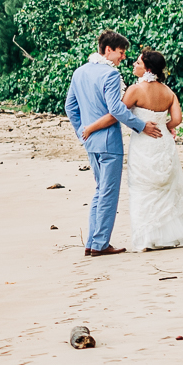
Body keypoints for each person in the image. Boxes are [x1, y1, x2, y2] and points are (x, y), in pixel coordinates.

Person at [64, 31, 161, 257]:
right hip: (109, 142)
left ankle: (92, 242)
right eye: (121, 52)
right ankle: (99, 244)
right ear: (108, 50)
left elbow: (70, 107)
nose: (123, 57)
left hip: (90, 142)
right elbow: (116, 109)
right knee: (108, 193)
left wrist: (81, 132)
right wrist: (140, 126)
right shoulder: (109, 74)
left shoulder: (79, 73)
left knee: (100, 191)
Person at [120, 47, 183, 251]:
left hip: (144, 142)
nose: (134, 65)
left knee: (143, 188)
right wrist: (165, 126)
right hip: (163, 142)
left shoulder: (135, 90)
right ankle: (170, 235)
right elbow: (177, 119)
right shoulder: (168, 92)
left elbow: (120, 112)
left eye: (138, 62)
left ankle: (147, 239)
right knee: (165, 188)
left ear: (148, 68)